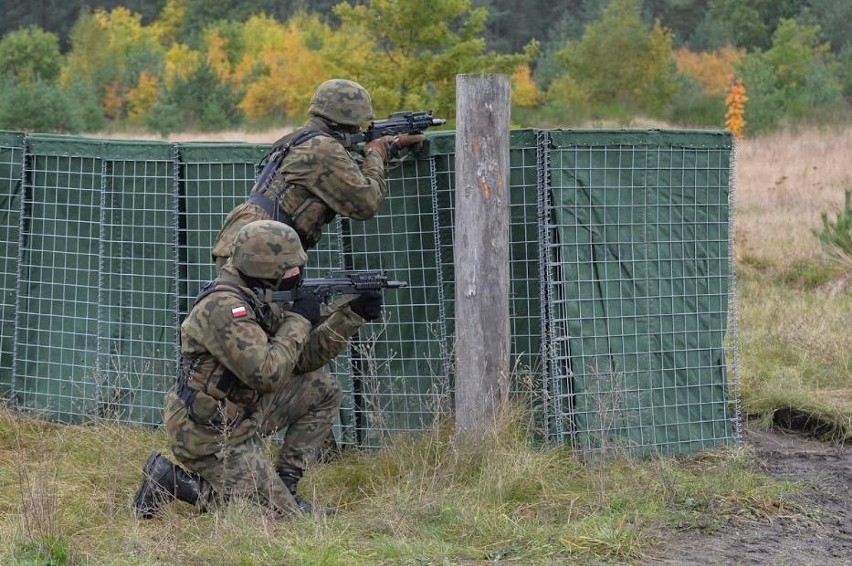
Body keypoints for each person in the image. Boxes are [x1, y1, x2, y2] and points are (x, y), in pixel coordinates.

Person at [133, 219, 384, 518]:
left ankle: (286, 486)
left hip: (242, 412)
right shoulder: (225, 309)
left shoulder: (259, 294)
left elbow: (298, 360)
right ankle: (170, 481)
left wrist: (350, 316)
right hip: (207, 432)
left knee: (322, 388)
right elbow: (269, 374)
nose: (299, 276)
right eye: (292, 271)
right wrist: (300, 319)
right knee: (277, 519)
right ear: (266, 270)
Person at [211, 78, 426, 268]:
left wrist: (392, 146)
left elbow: (347, 174)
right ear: (345, 119)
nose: (361, 129)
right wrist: (376, 153)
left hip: (251, 243)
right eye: (358, 124)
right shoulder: (323, 149)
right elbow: (366, 202)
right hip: (261, 249)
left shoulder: (306, 139)